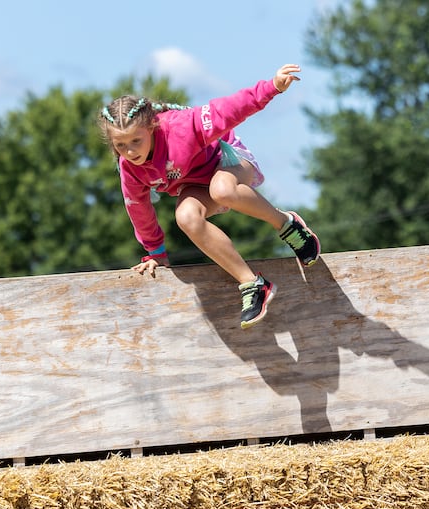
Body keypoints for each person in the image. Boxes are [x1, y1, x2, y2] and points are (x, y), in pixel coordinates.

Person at [98, 64, 320, 329]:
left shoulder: (183, 127)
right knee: (186, 217)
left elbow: (230, 108)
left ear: (152, 127)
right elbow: (139, 209)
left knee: (222, 190)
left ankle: (286, 225)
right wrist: (156, 253)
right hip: (196, 183)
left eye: (136, 141)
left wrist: (271, 87)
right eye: (121, 145)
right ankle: (252, 285)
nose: (130, 151)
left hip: (230, 161)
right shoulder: (129, 168)